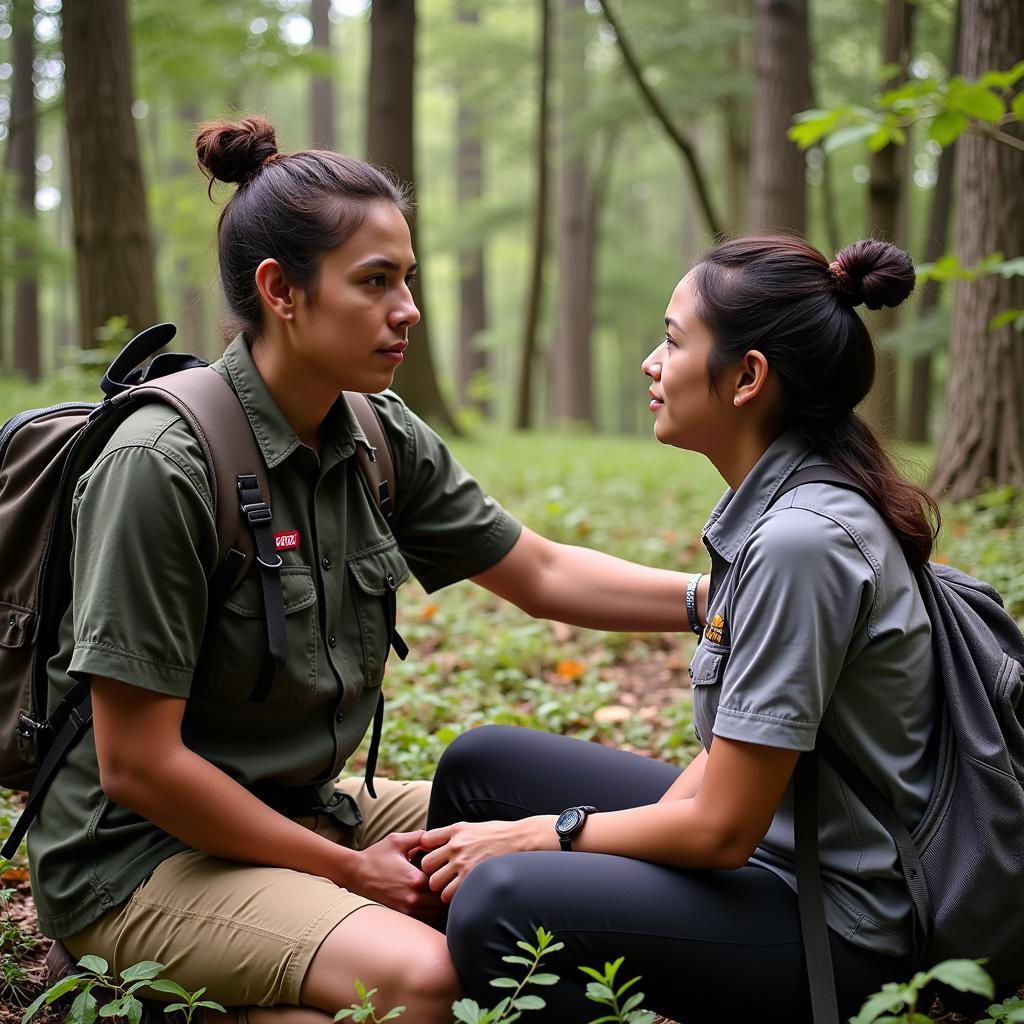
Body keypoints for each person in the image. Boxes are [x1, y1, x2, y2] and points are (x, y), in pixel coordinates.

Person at [26, 116, 708, 1024]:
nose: (409, 310)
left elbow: (539, 570)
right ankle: (118, 973)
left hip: (304, 810)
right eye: (375, 281)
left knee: (572, 859)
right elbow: (140, 768)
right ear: (282, 291)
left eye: (408, 280)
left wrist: (719, 600)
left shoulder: (376, 434)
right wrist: (353, 873)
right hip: (141, 855)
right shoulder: (163, 464)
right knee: (426, 976)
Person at [421, 235, 940, 1024]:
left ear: (748, 377)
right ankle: (414, 988)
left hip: (835, 922)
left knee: (501, 898)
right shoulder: (786, 501)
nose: (650, 364)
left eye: (671, 340)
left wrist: (550, 835)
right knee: (481, 768)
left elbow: (724, 829)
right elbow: (728, 768)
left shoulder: (801, 544)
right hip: (779, 849)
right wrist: (565, 833)